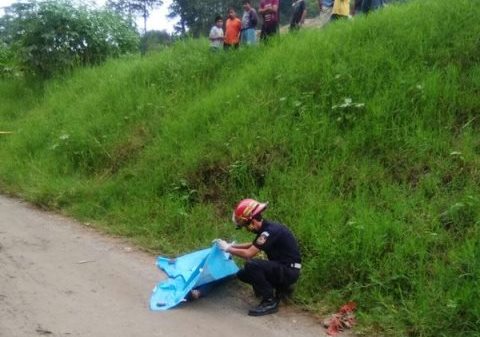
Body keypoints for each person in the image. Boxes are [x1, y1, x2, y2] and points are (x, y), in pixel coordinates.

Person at [215, 199, 302, 316]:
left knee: (252, 265)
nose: (247, 229)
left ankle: (269, 301)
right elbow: (253, 245)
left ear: (253, 221)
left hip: (289, 271)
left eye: (246, 225)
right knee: (243, 274)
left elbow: (249, 254)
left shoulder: (269, 231)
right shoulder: (266, 230)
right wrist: (231, 245)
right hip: (282, 268)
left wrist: (227, 249)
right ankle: (278, 289)